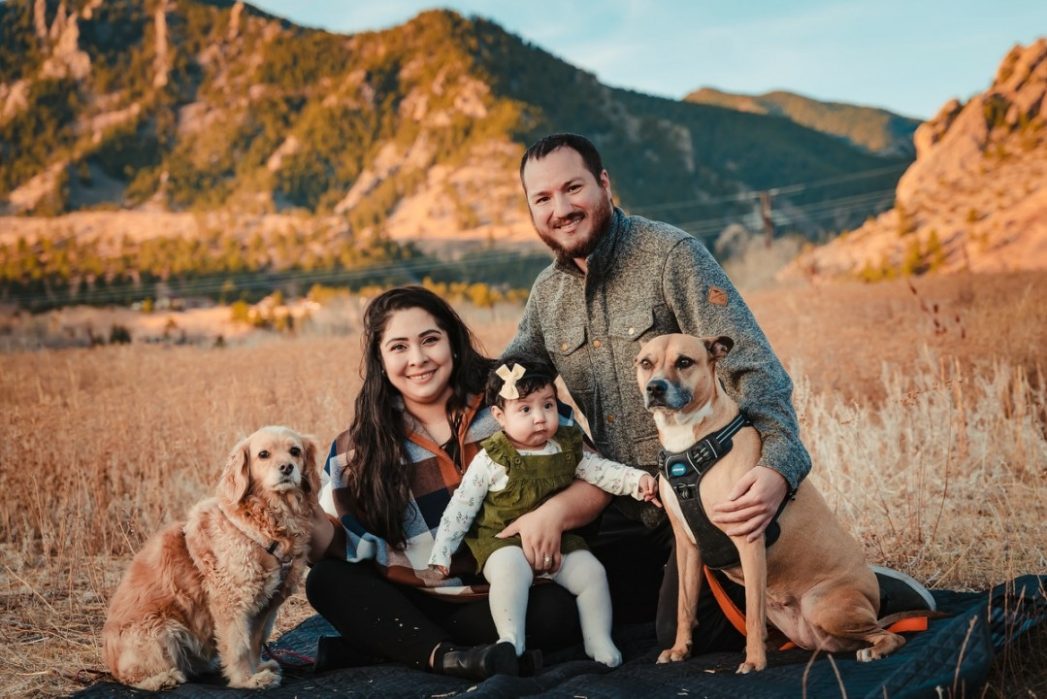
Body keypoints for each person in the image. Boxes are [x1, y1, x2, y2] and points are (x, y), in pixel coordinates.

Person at [504, 132, 936, 652]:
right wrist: (427, 366)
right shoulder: (546, 295)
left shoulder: (671, 256)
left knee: (684, 635)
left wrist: (777, 468)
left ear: (603, 184)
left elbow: (756, 369)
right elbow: (511, 375)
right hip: (626, 496)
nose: (560, 209)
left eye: (572, 188)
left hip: (704, 497)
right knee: (557, 617)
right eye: (542, 199)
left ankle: (852, 582)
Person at [305, 286, 611, 680]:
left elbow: (598, 477)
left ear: (452, 341)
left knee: (556, 612)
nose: (417, 359)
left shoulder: (513, 400)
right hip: (416, 593)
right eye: (398, 347)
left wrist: (553, 514)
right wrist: (291, 511)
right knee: (327, 581)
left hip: (508, 588)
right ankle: (450, 656)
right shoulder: (360, 446)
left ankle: (395, 646)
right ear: (380, 359)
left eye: (429, 340)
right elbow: (329, 545)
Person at [428, 355, 659, 667]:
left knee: (593, 574)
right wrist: (442, 552)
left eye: (548, 405)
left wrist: (637, 481)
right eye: (525, 409)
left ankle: (598, 638)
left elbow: (602, 471)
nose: (540, 417)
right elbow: (461, 508)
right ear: (499, 415)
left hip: (557, 539)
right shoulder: (493, 458)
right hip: (502, 541)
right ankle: (511, 641)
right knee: (512, 573)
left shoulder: (567, 445)